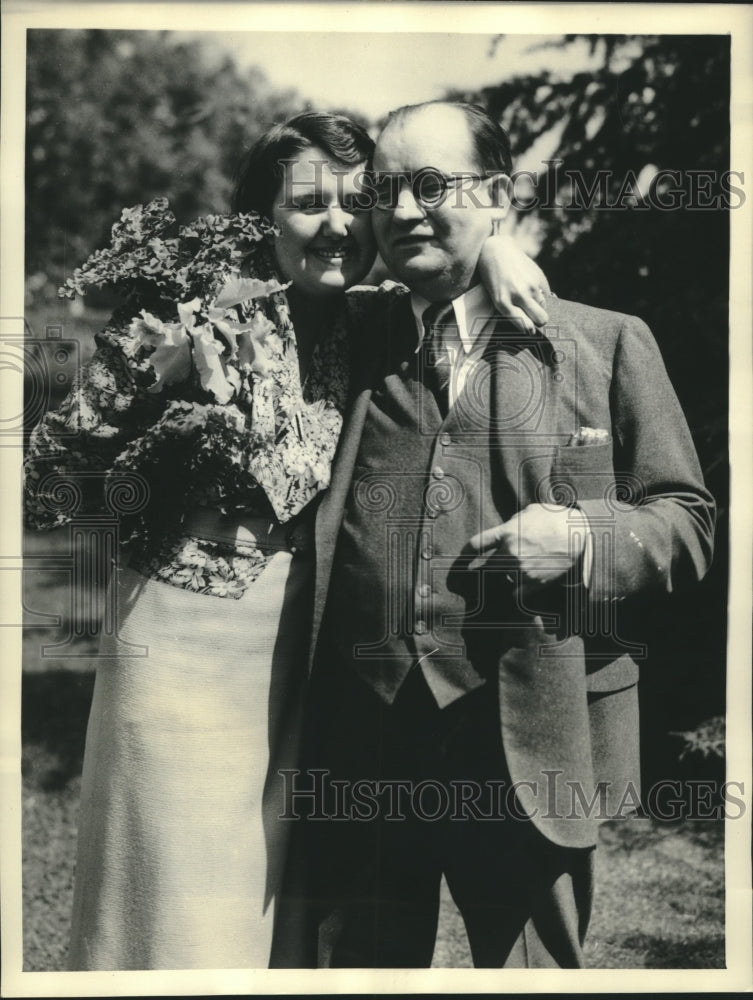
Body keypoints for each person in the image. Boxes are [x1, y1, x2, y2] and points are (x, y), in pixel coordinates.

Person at [23, 110, 549, 970]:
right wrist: (151, 390)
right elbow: (48, 484)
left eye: (359, 202)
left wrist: (497, 247)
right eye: (309, 203)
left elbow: (456, 270)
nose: (340, 225)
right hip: (182, 650)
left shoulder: (374, 321)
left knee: (274, 908)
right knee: (178, 898)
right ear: (259, 217)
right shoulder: (179, 311)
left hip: (308, 656)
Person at [304, 101, 716, 967]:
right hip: (370, 740)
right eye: (385, 190)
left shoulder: (604, 344)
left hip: (536, 734)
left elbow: (686, 520)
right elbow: (239, 276)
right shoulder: (352, 333)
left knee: (534, 972)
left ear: (497, 193)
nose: (401, 210)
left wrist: (584, 536)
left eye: (429, 186)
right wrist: (480, 238)